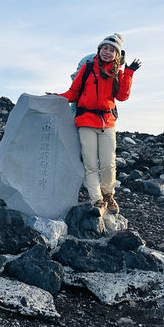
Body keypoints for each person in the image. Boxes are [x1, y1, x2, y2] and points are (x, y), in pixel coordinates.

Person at [58, 33, 141, 212]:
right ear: (99, 49)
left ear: (116, 54)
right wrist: (56, 98)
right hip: (86, 120)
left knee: (108, 164)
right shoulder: (87, 68)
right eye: (105, 48)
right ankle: (96, 199)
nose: (107, 52)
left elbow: (122, 96)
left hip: (107, 121)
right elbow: (73, 93)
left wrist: (129, 73)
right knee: (90, 164)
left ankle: (108, 194)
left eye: (112, 50)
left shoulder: (116, 73)